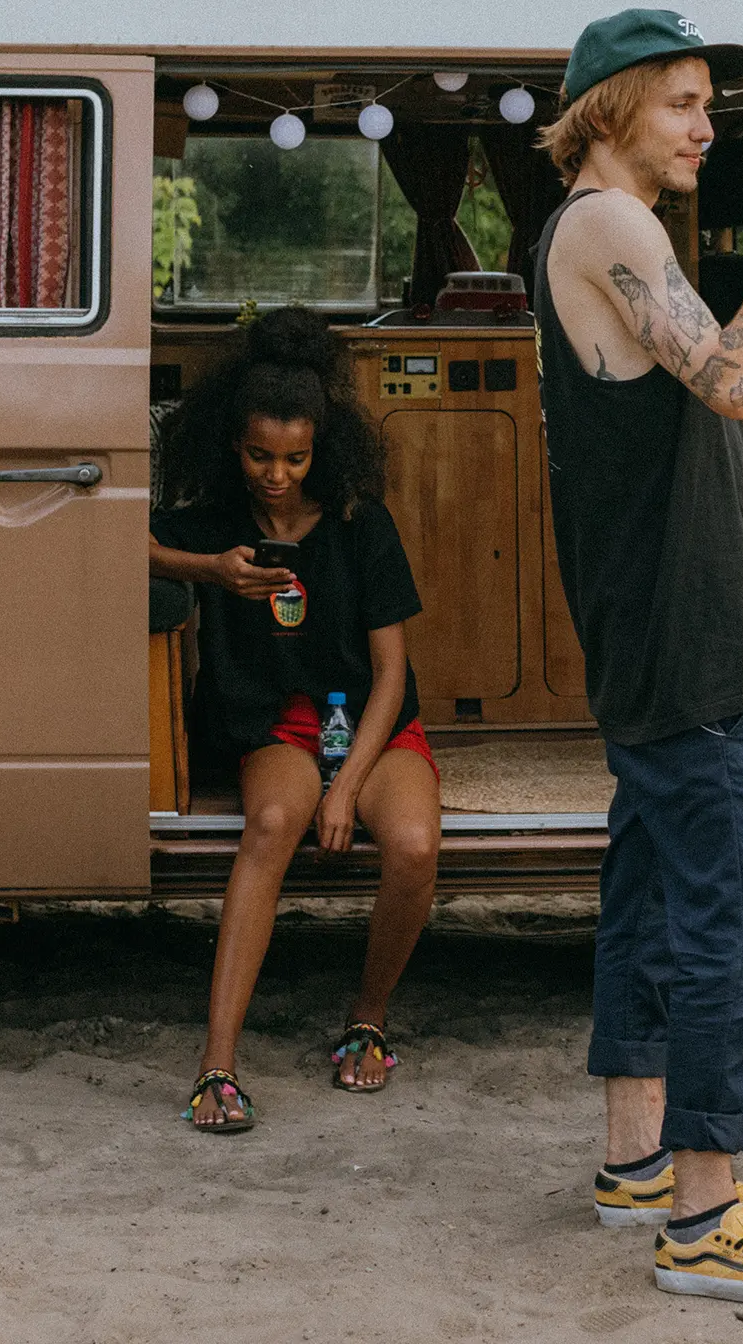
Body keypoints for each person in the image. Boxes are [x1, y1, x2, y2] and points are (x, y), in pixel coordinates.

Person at [533, 8, 743, 1305]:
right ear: (610, 110)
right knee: (729, 914)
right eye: (681, 102)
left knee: (655, 890)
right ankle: (708, 1218)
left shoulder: (611, 228)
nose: (707, 126)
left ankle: (639, 1161)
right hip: (682, 633)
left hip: (659, 627)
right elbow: (730, 379)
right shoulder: (606, 223)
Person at [148, 306, 439, 1132]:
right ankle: (218, 1065)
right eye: (259, 456)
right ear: (232, 444)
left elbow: (391, 675)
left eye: (295, 458)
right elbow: (123, 537)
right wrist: (209, 569)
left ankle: (368, 1018)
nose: (277, 475)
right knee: (275, 820)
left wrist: (346, 790)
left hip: (373, 725)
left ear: (324, 448)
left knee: (415, 845)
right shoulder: (222, 521)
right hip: (277, 723)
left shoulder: (360, 524)